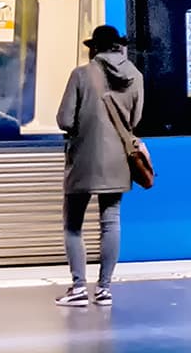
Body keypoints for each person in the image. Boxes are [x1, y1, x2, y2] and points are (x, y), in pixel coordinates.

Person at [57, 24, 143, 308]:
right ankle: (104, 289)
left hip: (83, 159)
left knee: (73, 225)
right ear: (118, 46)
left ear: (94, 48)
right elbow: (135, 119)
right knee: (111, 222)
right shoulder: (135, 76)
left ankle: (79, 287)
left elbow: (65, 120)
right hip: (118, 159)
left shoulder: (81, 74)